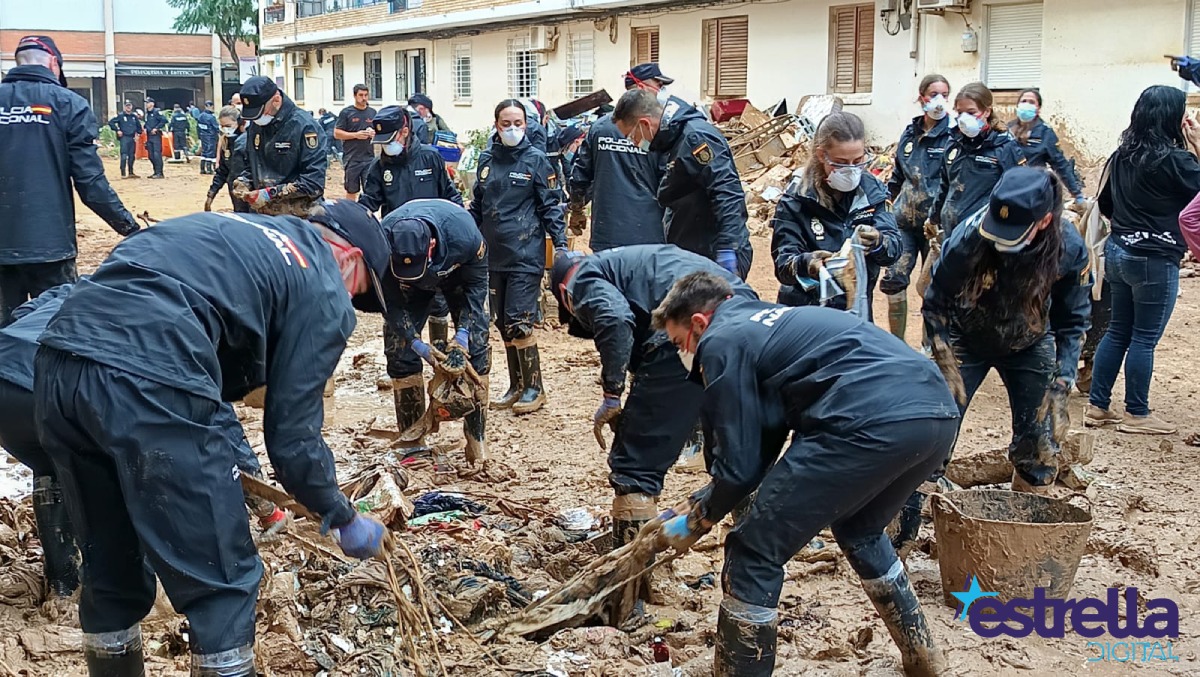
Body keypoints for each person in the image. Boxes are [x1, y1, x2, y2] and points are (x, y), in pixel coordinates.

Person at [34, 201, 393, 676]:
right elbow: (292, 438)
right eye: (359, 291)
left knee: (111, 567)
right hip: (150, 372)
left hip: (59, 366)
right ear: (349, 257)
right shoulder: (324, 281)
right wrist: (339, 512)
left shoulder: (235, 230)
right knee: (223, 579)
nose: (348, 303)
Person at [651, 272, 958, 676]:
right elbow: (762, 442)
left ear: (698, 323)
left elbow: (740, 465)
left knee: (753, 551)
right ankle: (924, 657)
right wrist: (704, 499)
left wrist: (701, 516)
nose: (684, 353)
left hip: (865, 421)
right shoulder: (769, 322)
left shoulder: (720, 342)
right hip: (935, 412)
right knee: (860, 530)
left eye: (679, 343)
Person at [0, 282, 286, 602]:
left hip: (6, 382)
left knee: (52, 466)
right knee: (131, 471)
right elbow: (223, 426)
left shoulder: (82, 286)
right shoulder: (178, 328)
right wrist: (267, 508)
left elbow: (23, 314)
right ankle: (132, 597)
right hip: (63, 389)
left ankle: (62, 586)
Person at [549, 245, 757, 613]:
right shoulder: (637, 263)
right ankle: (757, 548)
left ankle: (633, 589)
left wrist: (613, 393)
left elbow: (614, 319)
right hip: (740, 315)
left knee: (634, 466)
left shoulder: (580, 278)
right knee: (733, 450)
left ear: (563, 296)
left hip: (689, 326)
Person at [924, 167, 1090, 495]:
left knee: (1040, 445)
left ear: (1043, 222)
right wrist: (940, 353)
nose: (999, 240)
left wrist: (1064, 379)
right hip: (965, 335)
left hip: (1029, 341)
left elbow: (1074, 321)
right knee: (930, 432)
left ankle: (1023, 524)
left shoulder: (1068, 249)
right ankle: (907, 529)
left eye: (1010, 233)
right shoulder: (968, 237)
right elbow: (935, 301)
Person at [0, 35, 140, 327]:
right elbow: (90, 182)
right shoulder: (68, 103)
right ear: (54, 63)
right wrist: (129, 227)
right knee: (54, 331)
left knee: (4, 337)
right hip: (51, 248)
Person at [1086, 85, 1200, 435]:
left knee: (1118, 330)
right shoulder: (1177, 161)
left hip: (1119, 253)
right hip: (1155, 258)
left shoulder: (1120, 155)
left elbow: (1104, 204)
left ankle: (1097, 406)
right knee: (1144, 338)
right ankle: (1137, 412)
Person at [469, 99, 567, 415]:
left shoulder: (536, 160)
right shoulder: (486, 160)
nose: (513, 129)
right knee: (501, 323)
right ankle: (516, 386)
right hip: (492, 254)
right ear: (496, 126)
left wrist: (561, 246)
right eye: (506, 124)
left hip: (525, 253)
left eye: (519, 124)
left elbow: (551, 206)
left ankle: (535, 388)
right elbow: (478, 206)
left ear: (527, 125)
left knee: (519, 320)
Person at [377, 200, 490, 462]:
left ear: (431, 246)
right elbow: (389, 302)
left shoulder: (464, 234)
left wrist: (462, 336)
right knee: (398, 350)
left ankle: (477, 440)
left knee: (477, 346)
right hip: (407, 287)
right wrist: (415, 343)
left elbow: (477, 287)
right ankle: (412, 441)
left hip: (457, 273)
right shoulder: (381, 242)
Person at [612, 88, 753, 279]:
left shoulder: (695, 138)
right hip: (692, 250)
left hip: (713, 253)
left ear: (644, 124)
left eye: (631, 136)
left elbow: (727, 193)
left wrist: (728, 248)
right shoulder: (671, 141)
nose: (634, 143)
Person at [770, 111, 899, 317]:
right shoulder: (797, 199)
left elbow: (893, 251)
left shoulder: (872, 192)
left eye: (858, 161)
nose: (851, 170)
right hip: (805, 314)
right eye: (841, 162)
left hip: (856, 311)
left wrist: (878, 242)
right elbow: (784, 266)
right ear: (822, 155)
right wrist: (808, 263)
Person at [358, 106, 463, 355]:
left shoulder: (430, 158)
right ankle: (402, 358)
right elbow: (368, 205)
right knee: (399, 305)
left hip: (434, 247)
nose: (386, 146)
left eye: (391, 139)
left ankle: (440, 348)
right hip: (399, 247)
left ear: (405, 131)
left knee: (438, 304)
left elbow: (450, 196)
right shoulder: (377, 169)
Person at [879, 74, 954, 340]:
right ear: (921, 97)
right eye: (933, 95)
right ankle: (897, 345)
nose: (939, 101)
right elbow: (898, 177)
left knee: (933, 289)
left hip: (936, 227)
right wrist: (884, 206)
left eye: (945, 95)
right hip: (904, 223)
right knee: (894, 281)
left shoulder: (953, 136)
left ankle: (927, 349)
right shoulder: (909, 134)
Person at [568, 64, 670, 251]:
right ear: (641, 88)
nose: (661, 91)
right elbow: (669, 183)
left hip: (607, 232)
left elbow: (580, 176)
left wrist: (576, 209)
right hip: (649, 235)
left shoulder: (599, 128)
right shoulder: (660, 130)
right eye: (658, 85)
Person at [929, 82, 1024, 234]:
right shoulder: (953, 143)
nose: (964, 119)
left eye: (971, 113)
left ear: (987, 112)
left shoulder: (1004, 146)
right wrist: (933, 217)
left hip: (983, 234)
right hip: (951, 231)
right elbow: (945, 184)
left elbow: (1018, 191)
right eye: (960, 113)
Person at [234, 76, 328, 217]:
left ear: (276, 100)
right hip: (262, 213)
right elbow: (252, 164)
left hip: (298, 215)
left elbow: (313, 183)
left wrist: (271, 194)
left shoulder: (305, 126)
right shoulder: (257, 124)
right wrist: (244, 181)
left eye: (261, 112)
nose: (256, 119)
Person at [1009, 88, 1087, 211]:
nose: (1026, 105)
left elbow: (1060, 164)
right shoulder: (1007, 129)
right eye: (1023, 101)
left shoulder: (1045, 133)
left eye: (1031, 102)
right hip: (1009, 188)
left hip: (1033, 190)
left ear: (1038, 108)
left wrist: (1077, 194)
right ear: (1017, 105)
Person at [334, 84, 377, 200]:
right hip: (352, 158)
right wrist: (355, 135)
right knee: (351, 189)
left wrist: (373, 133)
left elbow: (379, 132)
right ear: (354, 96)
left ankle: (368, 214)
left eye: (366, 95)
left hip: (369, 158)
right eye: (361, 95)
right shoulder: (346, 113)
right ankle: (350, 213)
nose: (364, 98)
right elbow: (337, 133)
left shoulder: (373, 113)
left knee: (370, 189)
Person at [207, 105, 250, 213]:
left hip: (251, 194)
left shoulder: (249, 142)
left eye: (228, 125)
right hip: (235, 193)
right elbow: (222, 170)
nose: (226, 129)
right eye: (222, 126)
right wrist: (211, 194)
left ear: (239, 123)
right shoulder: (226, 143)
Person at [108, 101, 142, 178]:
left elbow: (139, 127)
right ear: (124, 107)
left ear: (131, 106)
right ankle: (123, 173)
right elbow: (111, 122)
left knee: (132, 156)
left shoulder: (134, 116)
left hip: (132, 138)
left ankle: (131, 172)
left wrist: (138, 134)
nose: (128, 107)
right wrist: (117, 130)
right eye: (127, 106)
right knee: (124, 155)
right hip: (124, 138)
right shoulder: (120, 116)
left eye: (129, 106)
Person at [143, 97, 167, 179]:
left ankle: (160, 173)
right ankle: (155, 172)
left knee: (157, 154)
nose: (146, 104)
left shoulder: (156, 112)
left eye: (148, 102)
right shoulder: (147, 114)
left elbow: (164, 120)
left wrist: (156, 128)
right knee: (151, 155)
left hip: (156, 136)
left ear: (152, 104)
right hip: (149, 136)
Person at [197, 101, 219, 175]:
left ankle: (202, 169)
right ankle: (209, 169)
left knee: (204, 152)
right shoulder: (211, 117)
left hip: (203, 136)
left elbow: (198, 127)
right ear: (210, 106)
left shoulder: (200, 116)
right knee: (211, 152)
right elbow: (216, 127)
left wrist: (199, 137)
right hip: (211, 136)